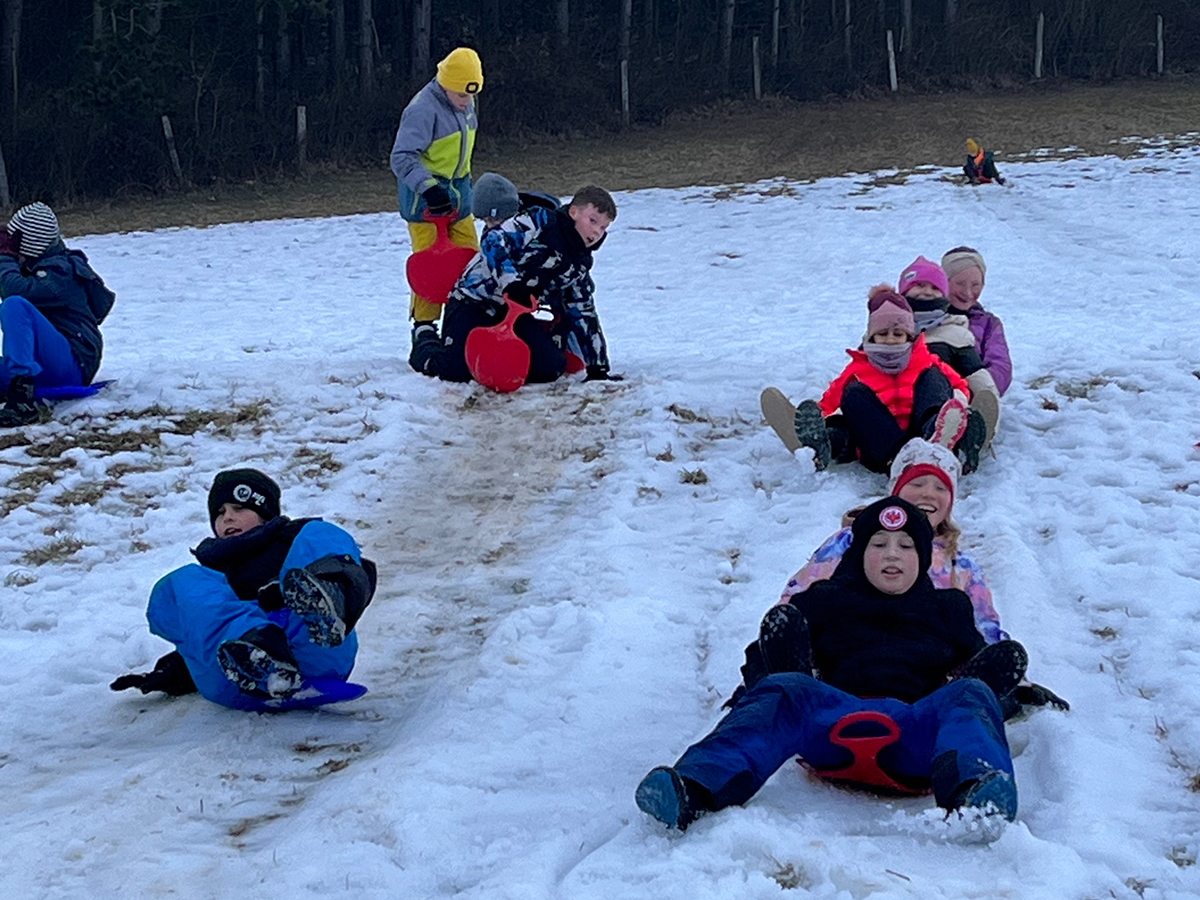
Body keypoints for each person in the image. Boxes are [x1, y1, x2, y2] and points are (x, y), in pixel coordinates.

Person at [635, 497, 1021, 832]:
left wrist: (1004, 696)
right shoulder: (823, 599)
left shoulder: (949, 608)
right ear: (857, 553)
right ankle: (695, 786)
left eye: (906, 546)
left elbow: (975, 678)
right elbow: (761, 659)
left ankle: (975, 794)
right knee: (786, 686)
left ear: (922, 557)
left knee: (970, 692)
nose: (891, 553)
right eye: (879, 543)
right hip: (832, 721)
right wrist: (757, 695)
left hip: (915, 729)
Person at [111, 469, 376, 710]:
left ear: (264, 513)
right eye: (219, 513)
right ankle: (257, 655)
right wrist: (174, 673)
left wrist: (290, 589)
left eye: (239, 508)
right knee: (179, 583)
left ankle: (328, 599)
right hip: (238, 680)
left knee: (320, 533)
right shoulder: (212, 573)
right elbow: (207, 627)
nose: (228, 517)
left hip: (314, 650)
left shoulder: (293, 544)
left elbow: (365, 572)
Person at [780, 438, 1006, 643]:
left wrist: (1012, 682)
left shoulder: (959, 564)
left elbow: (985, 624)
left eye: (941, 488)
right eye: (916, 484)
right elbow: (800, 596)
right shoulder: (852, 540)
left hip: (929, 669)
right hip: (849, 655)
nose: (928, 493)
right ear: (894, 493)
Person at [760, 285, 982, 474]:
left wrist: (960, 409)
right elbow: (829, 403)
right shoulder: (859, 369)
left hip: (925, 440)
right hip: (883, 451)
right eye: (883, 334)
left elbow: (959, 387)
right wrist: (823, 422)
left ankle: (941, 436)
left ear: (910, 336)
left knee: (935, 378)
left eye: (898, 334)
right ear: (871, 336)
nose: (890, 340)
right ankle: (822, 445)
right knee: (853, 394)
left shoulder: (926, 361)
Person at [410, 184, 619, 385]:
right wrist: (511, 282)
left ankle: (537, 343)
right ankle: (425, 339)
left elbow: (583, 310)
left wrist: (597, 367)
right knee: (455, 371)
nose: (597, 232)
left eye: (603, 227)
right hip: (473, 301)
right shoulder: (538, 222)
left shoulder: (578, 265)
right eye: (593, 221)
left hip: (512, 312)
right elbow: (493, 241)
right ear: (573, 212)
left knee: (550, 368)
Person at [391, 46, 484, 356]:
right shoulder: (422, 109)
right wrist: (429, 188)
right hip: (425, 205)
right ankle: (425, 327)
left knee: (472, 258)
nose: (467, 103)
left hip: (459, 199)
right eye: (461, 96)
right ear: (445, 84)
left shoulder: (467, 100)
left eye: (471, 95)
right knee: (432, 263)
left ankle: (466, 320)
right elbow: (402, 157)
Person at [0, 202, 115, 426]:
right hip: (45, 365)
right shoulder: (36, 270)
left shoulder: (60, 273)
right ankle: (19, 386)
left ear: (29, 245)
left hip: (73, 364)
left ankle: (21, 400)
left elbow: (13, 290)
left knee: (14, 305)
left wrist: (5, 257)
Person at [898, 255, 1000, 452]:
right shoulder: (888, 328)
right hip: (894, 402)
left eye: (935, 287)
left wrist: (989, 406)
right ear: (904, 289)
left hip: (939, 401)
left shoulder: (955, 333)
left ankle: (961, 434)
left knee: (953, 394)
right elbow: (859, 371)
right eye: (919, 284)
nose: (927, 292)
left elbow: (979, 378)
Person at [940, 247, 1012, 404]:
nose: (967, 292)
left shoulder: (989, 325)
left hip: (974, 397)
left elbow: (1001, 368)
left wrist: (972, 390)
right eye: (959, 283)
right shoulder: (928, 317)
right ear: (944, 282)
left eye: (975, 285)